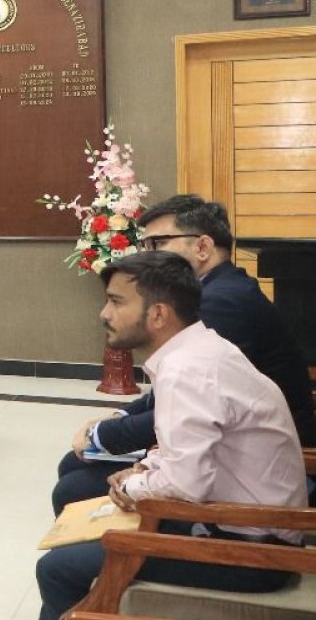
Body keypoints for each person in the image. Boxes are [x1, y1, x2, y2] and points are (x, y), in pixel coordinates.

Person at [29, 251, 304, 620]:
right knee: (77, 507)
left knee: (57, 568)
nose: (104, 314)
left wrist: (131, 487)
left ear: (158, 314)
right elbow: (192, 449)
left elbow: (187, 484)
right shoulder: (200, 349)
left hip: (249, 552)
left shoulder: (187, 370)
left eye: (116, 301)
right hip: (230, 521)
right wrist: (145, 468)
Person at [51, 195, 316, 514]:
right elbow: (180, 399)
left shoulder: (220, 302)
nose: (147, 255)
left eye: (157, 243)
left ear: (203, 247)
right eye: (144, 245)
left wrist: (105, 440)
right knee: (76, 468)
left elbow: (188, 403)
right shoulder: (219, 290)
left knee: (73, 487)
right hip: (225, 447)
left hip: (250, 477)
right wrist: (121, 424)